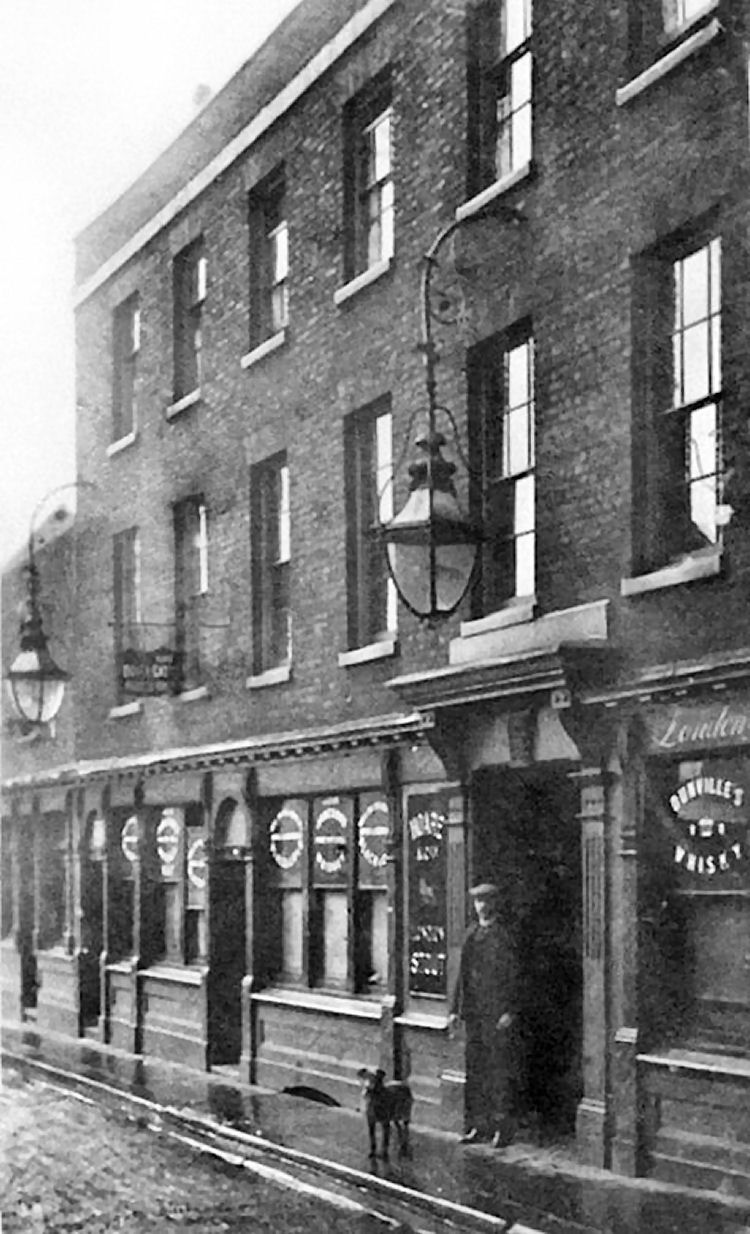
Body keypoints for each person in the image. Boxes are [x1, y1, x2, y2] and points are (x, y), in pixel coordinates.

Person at [448, 882, 518, 1147]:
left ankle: (503, 1127)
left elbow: (515, 977)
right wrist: (455, 1010)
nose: (482, 907)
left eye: (487, 901)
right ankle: (480, 1125)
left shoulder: (504, 936)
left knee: (499, 1071)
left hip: (497, 1014)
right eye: (478, 902)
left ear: (495, 904)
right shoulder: (471, 935)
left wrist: (510, 1010)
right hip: (475, 1014)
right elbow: (461, 976)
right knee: (476, 1071)